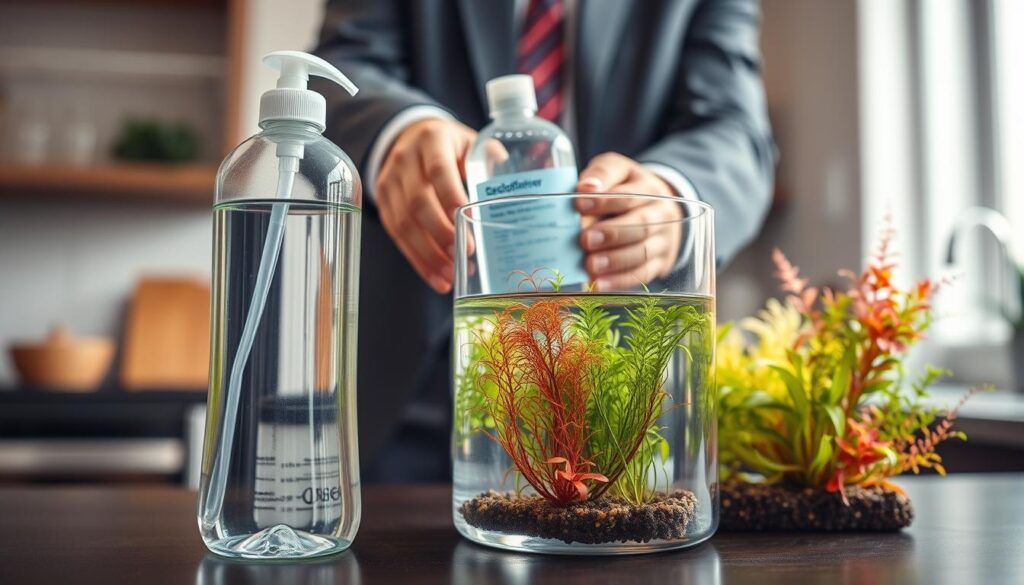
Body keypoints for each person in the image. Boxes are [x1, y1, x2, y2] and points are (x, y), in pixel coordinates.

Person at [313, 0, 776, 482]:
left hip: (618, 397)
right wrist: (400, 131)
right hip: (409, 378)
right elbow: (335, 71)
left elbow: (736, 129)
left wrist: (668, 197)